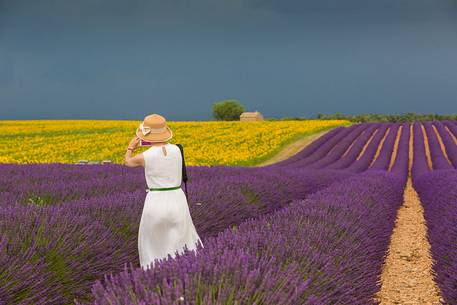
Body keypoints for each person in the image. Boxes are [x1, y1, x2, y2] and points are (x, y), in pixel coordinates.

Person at [124, 113, 203, 270]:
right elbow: (165, 151)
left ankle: (155, 275)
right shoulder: (177, 150)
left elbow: (127, 162)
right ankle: (183, 272)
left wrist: (131, 147)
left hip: (156, 201)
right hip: (177, 198)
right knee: (181, 242)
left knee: (153, 244)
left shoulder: (145, 156)